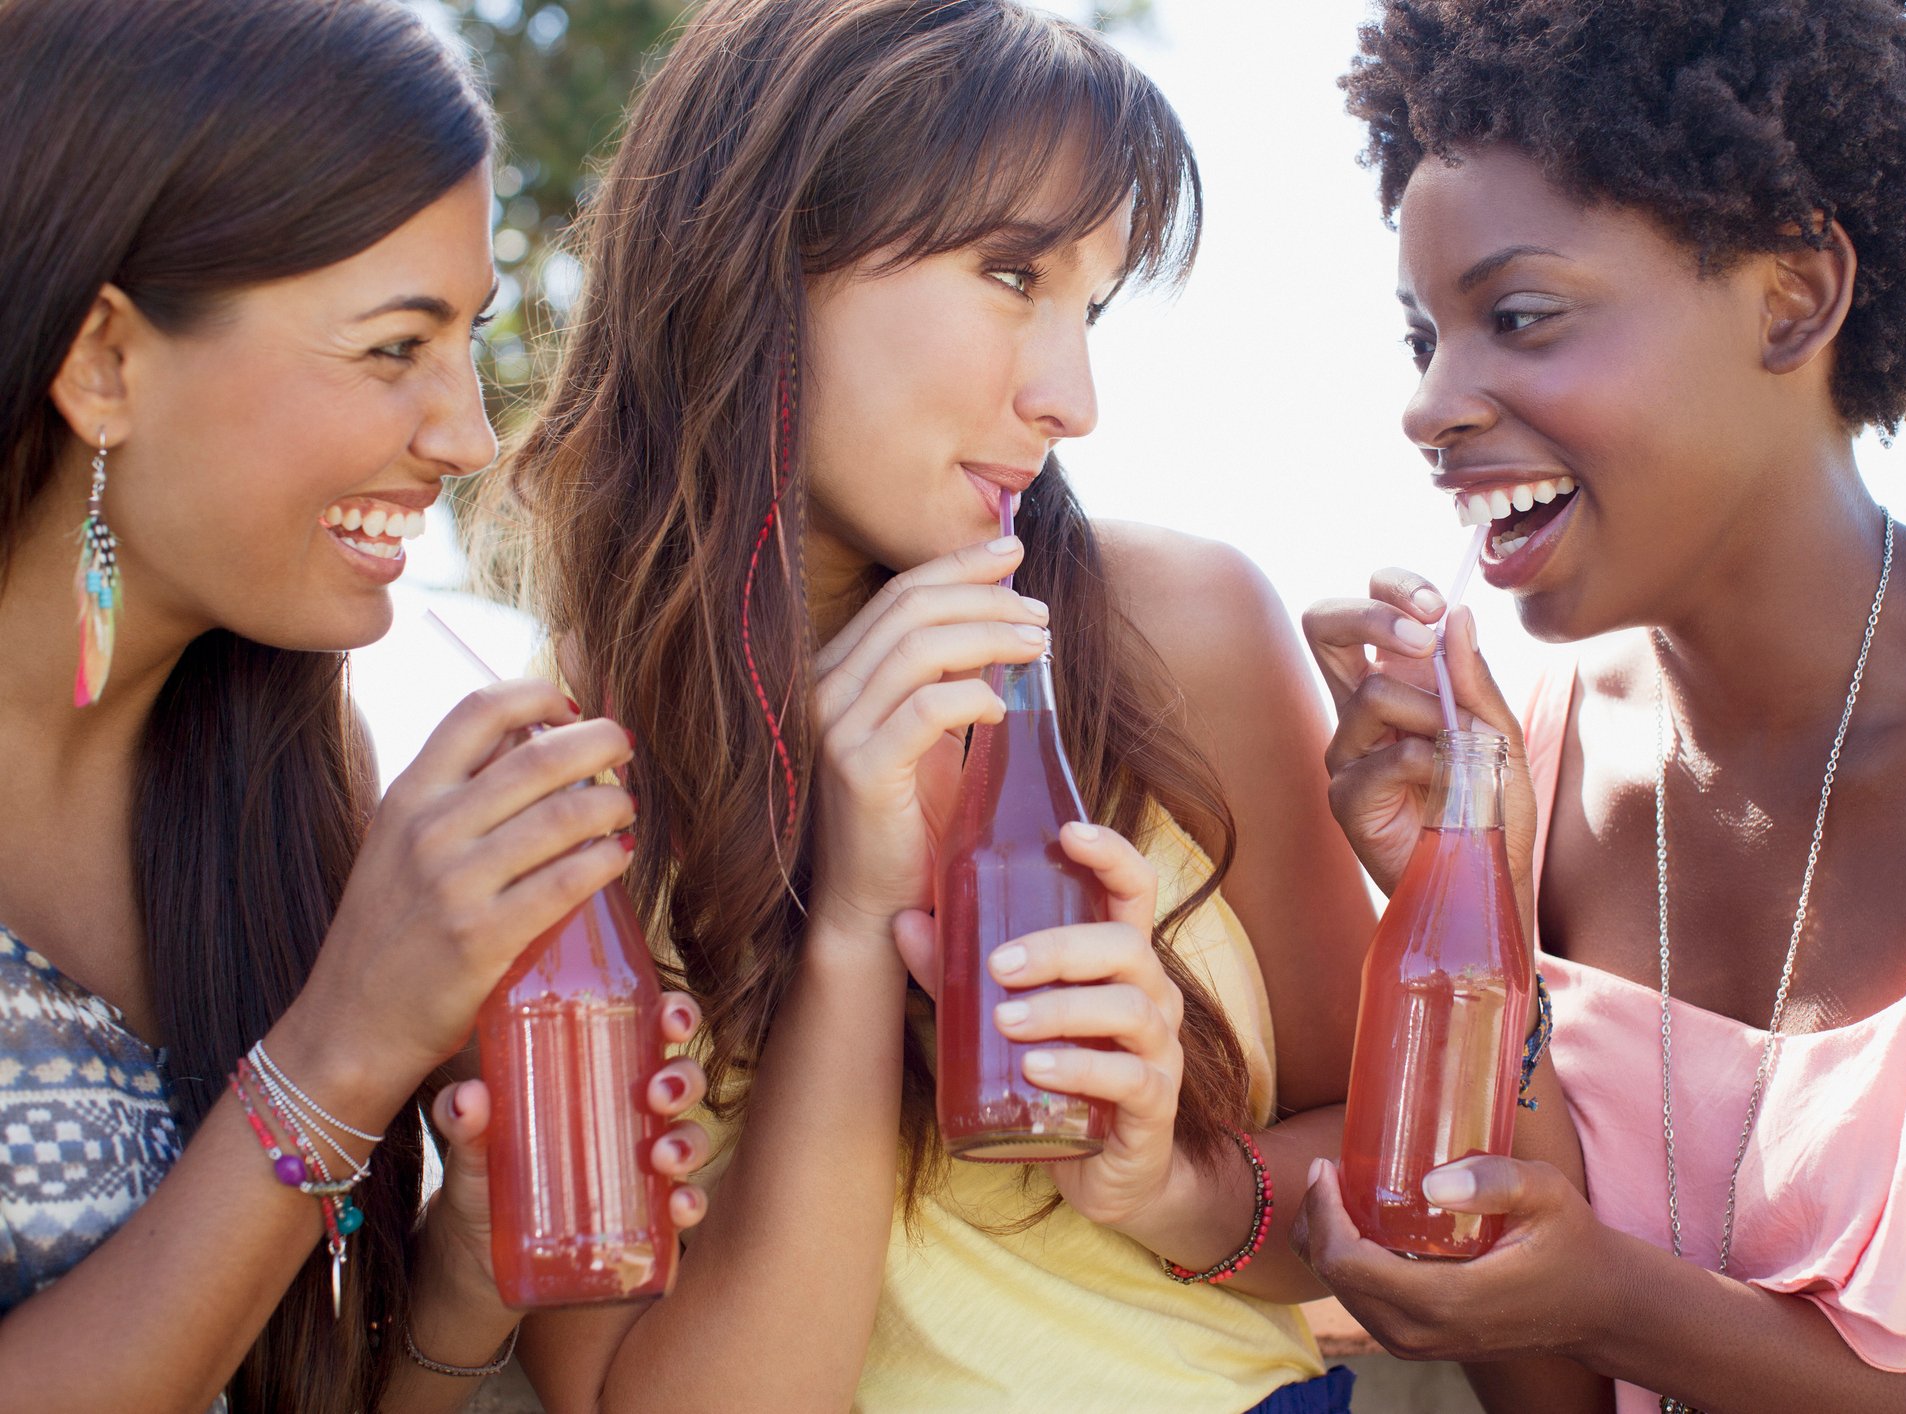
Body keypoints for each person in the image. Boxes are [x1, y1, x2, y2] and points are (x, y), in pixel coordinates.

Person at [472, 1, 1547, 1408]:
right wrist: (853, 931)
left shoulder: (1174, 631)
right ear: (763, 257)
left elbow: (1383, 1189)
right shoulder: (557, 788)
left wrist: (1165, 1178)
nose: (1072, 397)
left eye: (1088, 307)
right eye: (1010, 273)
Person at [1293, 1, 1906, 1409]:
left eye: (1517, 317)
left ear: (1791, 296)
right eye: (1425, 336)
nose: (1430, 405)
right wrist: (1464, 904)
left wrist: (1626, 1305)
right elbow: (1550, 1394)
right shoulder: (1528, 770)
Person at [0, 2, 709, 1409]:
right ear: (104, 363)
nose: (467, 434)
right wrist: (343, 1050)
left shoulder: (297, 775)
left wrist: (466, 1262)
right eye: (394, 347)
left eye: (469, 340)